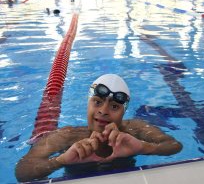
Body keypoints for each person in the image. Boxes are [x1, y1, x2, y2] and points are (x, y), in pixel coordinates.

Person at [15, 74, 182, 182]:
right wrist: (60, 161)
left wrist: (145, 147)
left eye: (115, 106)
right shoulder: (66, 136)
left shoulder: (136, 129)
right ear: (88, 104)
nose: (103, 111)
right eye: (97, 102)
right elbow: (23, 172)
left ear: (124, 112)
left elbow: (174, 146)